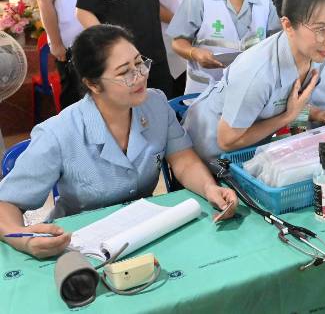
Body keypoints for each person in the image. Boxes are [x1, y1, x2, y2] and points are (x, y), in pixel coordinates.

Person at [0, 25, 238, 259]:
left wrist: (209, 188)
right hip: (77, 249)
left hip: (141, 235)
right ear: (93, 84)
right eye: (125, 72)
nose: (140, 76)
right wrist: (25, 240)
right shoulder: (58, 133)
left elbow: (183, 160)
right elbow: (6, 204)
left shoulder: (155, 104)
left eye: (139, 62)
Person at [183, 0, 325, 162]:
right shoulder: (258, 74)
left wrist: (317, 114)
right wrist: (288, 117)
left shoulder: (314, 52)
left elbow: (287, 100)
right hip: (206, 153)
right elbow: (226, 141)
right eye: (321, 29)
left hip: (249, 150)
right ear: (288, 25)